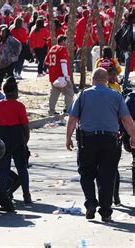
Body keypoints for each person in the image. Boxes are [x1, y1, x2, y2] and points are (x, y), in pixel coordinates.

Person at [66, 68, 135, 222]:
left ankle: (91, 203)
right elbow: (126, 119)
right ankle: (105, 211)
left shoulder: (83, 95)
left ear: (93, 79)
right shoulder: (116, 95)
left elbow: (72, 118)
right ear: (105, 80)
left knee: (86, 173)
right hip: (110, 142)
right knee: (107, 176)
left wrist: (68, 138)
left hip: (87, 141)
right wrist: (133, 136)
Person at [0, 77, 32, 204]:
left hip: (2, 138)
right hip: (17, 138)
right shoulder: (19, 106)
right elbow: (25, 125)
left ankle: (3, 196)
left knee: (3, 170)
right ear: (15, 92)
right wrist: (25, 140)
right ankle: (26, 195)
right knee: (22, 168)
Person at [45, 35, 74, 115]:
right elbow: (63, 63)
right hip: (61, 76)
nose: (67, 43)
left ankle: (51, 111)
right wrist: (66, 76)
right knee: (69, 93)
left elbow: (46, 62)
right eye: (66, 41)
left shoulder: (52, 48)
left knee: (54, 93)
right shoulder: (62, 49)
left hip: (53, 76)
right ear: (63, 41)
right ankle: (68, 110)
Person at [114, 10, 135, 87]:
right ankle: (125, 82)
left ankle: (125, 82)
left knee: (127, 66)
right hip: (131, 49)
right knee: (128, 66)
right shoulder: (132, 26)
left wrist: (121, 47)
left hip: (126, 49)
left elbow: (116, 36)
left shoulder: (125, 25)